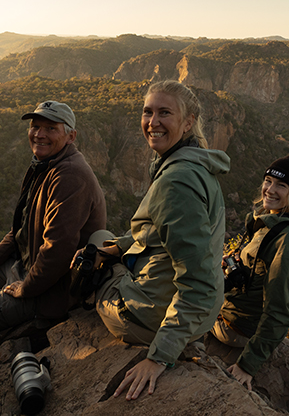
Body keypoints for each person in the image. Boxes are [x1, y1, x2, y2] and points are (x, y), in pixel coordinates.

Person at [85, 80, 229, 400]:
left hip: (148, 317)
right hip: (199, 316)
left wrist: (159, 355)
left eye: (165, 113)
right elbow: (158, 235)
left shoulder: (176, 182)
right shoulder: (195, 164)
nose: (153, 122)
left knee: (91, 249)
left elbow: (197, 280)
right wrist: (120, 247)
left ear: (188, 121)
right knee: (106, 242)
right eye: (148, 112)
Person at [0, 100, 107, 338]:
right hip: (28, 267)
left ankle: (33, 323)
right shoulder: (46, 166)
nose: (39, 134)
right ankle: (7, 309)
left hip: (52, 292)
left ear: (71, 136)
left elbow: (58, 251)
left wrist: (26, 288)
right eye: (35, 127)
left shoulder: (70, 175)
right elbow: (21, 227)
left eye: (51, 129)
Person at [212, 155, 289, 390]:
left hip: (235, 327)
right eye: (268, 181)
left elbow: (279, 308)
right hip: (233, 314)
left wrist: (247, 365)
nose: (270, 190)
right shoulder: (275, 220)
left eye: (281, 185)